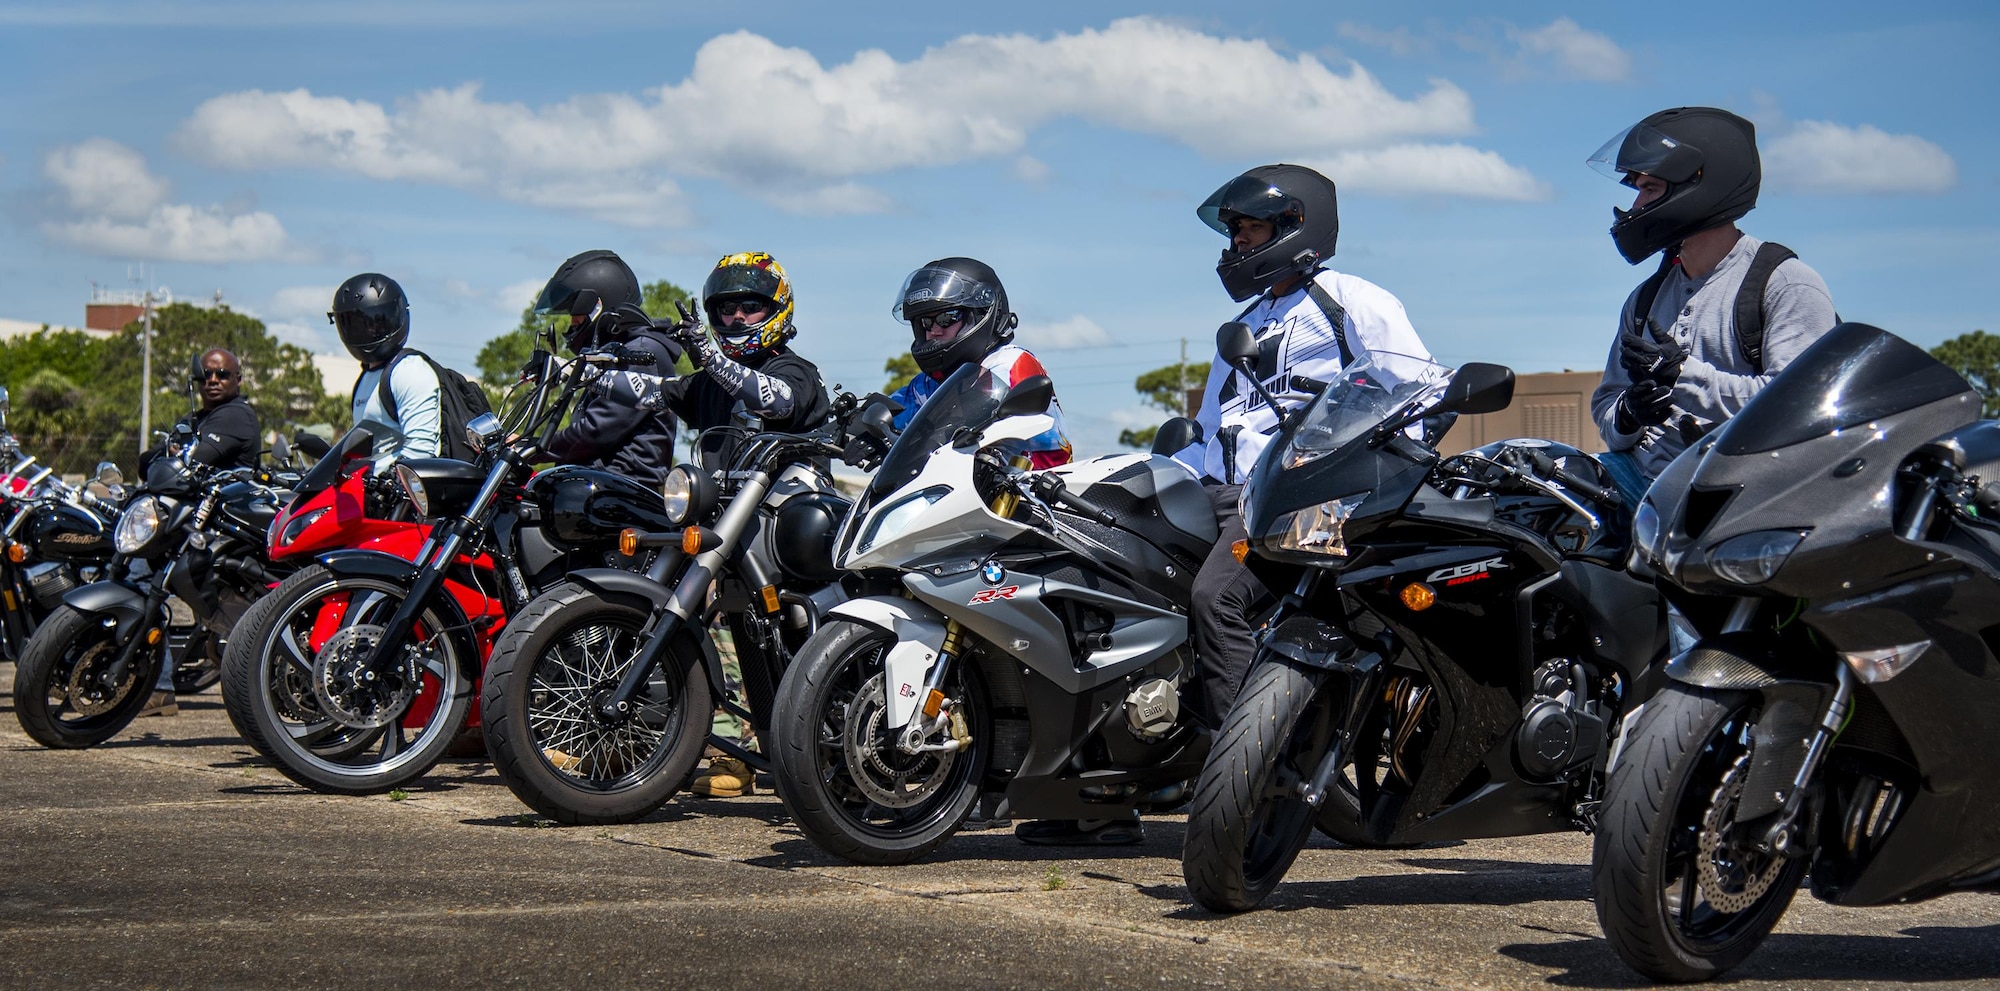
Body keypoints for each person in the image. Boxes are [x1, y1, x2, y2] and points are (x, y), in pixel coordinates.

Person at [1176, 163, 1432, 766]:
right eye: (1233, 232)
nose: (1236, 244)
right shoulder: (1243, 324)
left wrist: (1357, 476)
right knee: (1141, 584)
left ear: (1296, 226)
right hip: (1224, 492)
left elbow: (1416, 394)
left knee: (1217, 598)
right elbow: (1212, 427)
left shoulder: (1352, 299)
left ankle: (1247, 773)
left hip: (1299, 493)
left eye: (1249, 231)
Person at [584, 251, 831, 798]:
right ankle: (711, 747)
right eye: (725, 311)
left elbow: (774, 400)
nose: (737, 319)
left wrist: (708, 355)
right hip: (725, 532)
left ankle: (770, 745)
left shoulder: (795, 372)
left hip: (789, 538)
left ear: (777, 309)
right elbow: (651, 393)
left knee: (771, 635)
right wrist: (589, 373)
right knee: (714, 628)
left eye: (750, 307)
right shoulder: (711, 384)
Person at [1587, 107, 1837, 505]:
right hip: (1642, 481)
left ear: (1700, 187)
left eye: (1649, 189)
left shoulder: (1786, 283)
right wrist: (1629, 415)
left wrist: (1681, 376)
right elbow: (1607, 403)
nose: (1635, 206)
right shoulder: (1644, 299)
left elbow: (1797, 411)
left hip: (1736, 498)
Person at [138, 347, 261, 717]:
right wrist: (170, 451)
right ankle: (157, 684)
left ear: (237, 380)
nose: (212, 380)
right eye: (207, 375)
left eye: (222, 374)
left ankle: (157, 687)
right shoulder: (196, 418)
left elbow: (188, 462)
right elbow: (149, 464)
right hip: (190, 524)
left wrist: (174, 452)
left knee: (146, 580)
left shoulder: (236, 416)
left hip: (220, 530)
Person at [888, 256, 1072, 467]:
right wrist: (854, 424)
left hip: (1031, 490)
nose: (934, 330)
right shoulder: (928, 384)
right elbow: (894, 409)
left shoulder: (1010, 363)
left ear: (979, 313)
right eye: (926, 322)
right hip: (963, 491)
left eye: (946, 318)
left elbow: (960, 419)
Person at [530, 250, 682, 487]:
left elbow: (597, 431)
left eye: (576, 316)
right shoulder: (614, 353)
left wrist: (535, 448)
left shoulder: (641, 353)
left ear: (599, 307)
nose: (572, 325)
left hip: (622, 488)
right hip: (599, 480)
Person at [331, 273, 440, 472]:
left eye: (375, 322)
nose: (368, 331)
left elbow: (420, 452)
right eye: (356, 323)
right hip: (373, 497)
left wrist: (391, 488)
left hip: (403, 498)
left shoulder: (409, 371)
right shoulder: (366, 378)